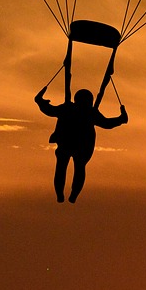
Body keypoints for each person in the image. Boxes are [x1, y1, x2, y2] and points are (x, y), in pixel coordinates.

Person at [35, 41, 128, 203]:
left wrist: (40, 101)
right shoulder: (87, 112)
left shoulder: (69, 108)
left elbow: (49, 110)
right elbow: (107, 123)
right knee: (76, 167)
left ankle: (64, 195)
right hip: (80, 145)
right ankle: (70, 195)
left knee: (65, 166)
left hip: (70, 143)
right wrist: (121, 118)